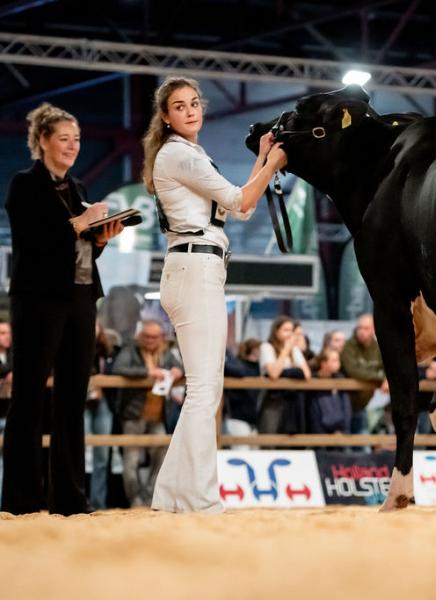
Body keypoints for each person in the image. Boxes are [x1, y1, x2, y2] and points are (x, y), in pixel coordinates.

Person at [142, 76, 286, 513]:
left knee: (206, 390)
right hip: (194, 267)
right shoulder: (179, 154)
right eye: (179, 106)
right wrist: (275, 163)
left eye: (194, 103)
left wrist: (263, 157)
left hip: (198, 267)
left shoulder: (190, 154)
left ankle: (171, 496)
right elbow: (242, 202)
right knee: (205, 391)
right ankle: (201, 500)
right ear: (165, 117)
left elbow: (238, 208)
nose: (190, 111)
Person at [1, 103, 122, 515]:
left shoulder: (79, 189)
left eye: (77, 140)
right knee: (29, 396)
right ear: (42, 142)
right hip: (38, 299)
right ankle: (21, 499)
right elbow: (33, 241)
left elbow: (84, 250)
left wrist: (102, 235)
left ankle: (70, 498)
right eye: (64, 139)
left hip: (82, 296)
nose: (72, 147)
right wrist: (79, 223)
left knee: (73, 397)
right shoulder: (24, 185)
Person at [110, 320, 184, 507]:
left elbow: (180, 367)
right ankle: (135, 499)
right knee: (131, 460)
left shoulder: (166, 352)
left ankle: (151, 496)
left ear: (161, 338)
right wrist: (148, 372)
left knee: (161, 456)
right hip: (133, 414)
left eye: (155, 336)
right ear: (141, 336)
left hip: (158, 414)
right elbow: (118, 368)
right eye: (147, 336)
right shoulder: (130, 350)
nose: (151, 340)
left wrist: (177, 371)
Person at [258, 317, 312, 435]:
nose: (289, 334)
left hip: (292, 400)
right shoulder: (267, 347)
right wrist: (286, 350)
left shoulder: (295, 350)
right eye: (285, 330)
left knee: (291, 436)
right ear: (276, 331)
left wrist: (285, 373)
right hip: (273, 399)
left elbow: (306, 374)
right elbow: (273, 373)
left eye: (291, 330)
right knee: (270, 433)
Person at [84, 319, 115, 510]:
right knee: (78, 452)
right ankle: (76, 498)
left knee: (102, 456)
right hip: (80, 403)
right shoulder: (70, 348)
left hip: (103, 402)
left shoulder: (107, 352)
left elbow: (116, 371)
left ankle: (98, 503)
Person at [341, 314, 388, 434]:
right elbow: (353, 371)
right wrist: (379, 377)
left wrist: (387, 379)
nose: (361, 331)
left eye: (366, 328)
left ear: (373, 329)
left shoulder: (378, 347)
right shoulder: (348, 346)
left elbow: (389, 366)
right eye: (359, 328)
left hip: (364, 404)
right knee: (346, 440)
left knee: (362, 440)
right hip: (345, 403)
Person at [223, 338, 262, 446]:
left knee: (255, 453)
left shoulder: (257, 368)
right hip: (237, 418)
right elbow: (237, 370)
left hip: (253, 420)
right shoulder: (237, 364)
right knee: (241, 450)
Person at [307, 348, 352, 435]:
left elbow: (346, 407)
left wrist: (343, 430)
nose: (338, 364)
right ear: (323, 363)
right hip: (319, 432)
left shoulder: (340, 379)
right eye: (334, 360)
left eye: (338, 360)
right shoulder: (313, 381)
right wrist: (319, 432)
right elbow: (313, 410)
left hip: (339, 430)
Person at [0, 320, 12, 506]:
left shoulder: (14, 355)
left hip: (9, 411)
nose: (6, 336)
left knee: (8, 462)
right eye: (2, 332)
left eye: (8, 332)